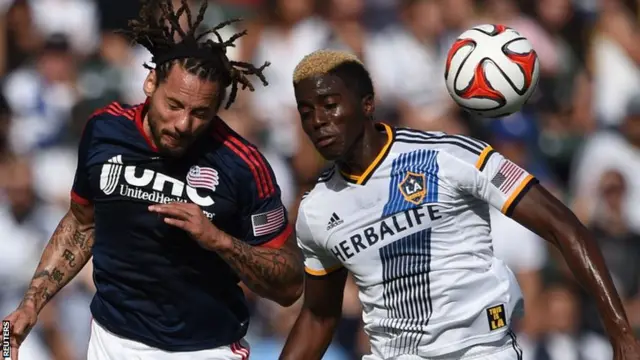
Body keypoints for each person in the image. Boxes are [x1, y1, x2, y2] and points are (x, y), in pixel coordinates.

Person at [279, 49, 640, 360]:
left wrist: (620, 331)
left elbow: (563, 226)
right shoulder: (317, 209)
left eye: (329, 106)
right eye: (306, 111)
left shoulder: (450, 156)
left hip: (480, 350)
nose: (317, 122)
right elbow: (319, 316)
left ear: (367, 104)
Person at [1, 1, 304, 359]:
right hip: (112, 343)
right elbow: (83, 224)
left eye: (200, 113)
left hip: (204, 349)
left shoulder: (242, 165)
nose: (183, 124)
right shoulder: (104, 131)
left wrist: (219, 241)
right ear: (149, 82)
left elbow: (290, 286)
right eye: (174, 105)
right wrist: (32, 303)